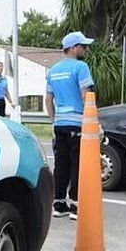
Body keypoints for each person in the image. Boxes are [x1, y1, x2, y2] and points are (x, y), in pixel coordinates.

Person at [46, 31, 95, 219]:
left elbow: (48, 99)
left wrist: (53, 120)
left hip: (60, 124)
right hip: (78, 123)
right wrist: (92, 122)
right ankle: (75, 205)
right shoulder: (81, 67)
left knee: (61, 163)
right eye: (83, 46)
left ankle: (58, 204)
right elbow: (86, 95)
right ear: (73, 48)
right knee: (77, 164)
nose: (86, 49)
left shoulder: (53, 70)